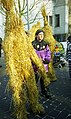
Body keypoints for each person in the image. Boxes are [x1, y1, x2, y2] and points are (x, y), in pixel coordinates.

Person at [32, 29, 52, 99]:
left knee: (43, 79)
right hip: (35, 66)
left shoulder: (45, 44)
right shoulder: (33, 44)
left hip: (44, 65)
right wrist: (35, 61)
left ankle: (45, 92)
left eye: (42, 35)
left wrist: (47, 59)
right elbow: (31, 54)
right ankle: (36, 93)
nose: (41, 36)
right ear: (36, 35)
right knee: (36, 80)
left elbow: (48, 52)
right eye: (40, 34)